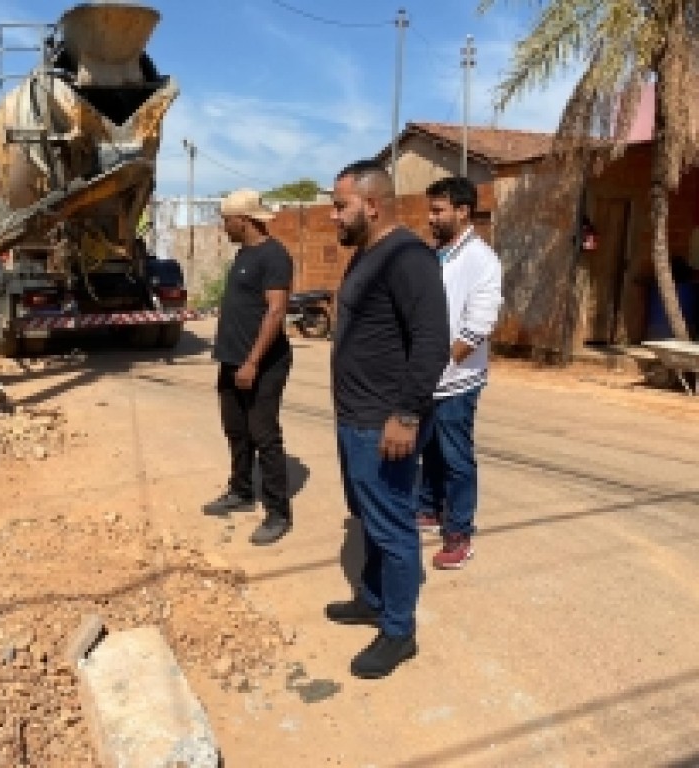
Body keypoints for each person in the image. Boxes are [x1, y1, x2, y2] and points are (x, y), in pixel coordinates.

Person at [323, 160, 450, 678]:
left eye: (340, 206)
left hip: (384, 423)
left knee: (394, 527)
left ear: (372, 205)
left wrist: (406, 414)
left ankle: (399, 632)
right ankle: (372, 599)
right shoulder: (368, 253)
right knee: (369, 518)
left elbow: (432, 342)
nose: (333, 216)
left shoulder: (408, 258)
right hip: (356, 417)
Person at [417, 177, 502, 569]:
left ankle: (459, 534)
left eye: (438, 210)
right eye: (430, 210)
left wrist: (439, 366)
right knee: (431, 448)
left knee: (455, 457)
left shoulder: (481, 260)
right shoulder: (438, 254)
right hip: (430, 376)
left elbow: (476, 327)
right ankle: (430, 509)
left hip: (457, 378)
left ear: (463, 211)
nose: (431, 218)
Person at [202, 188, 294, 546]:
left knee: (263, 434)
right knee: (236, 430)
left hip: (262, 364)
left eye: (226, 220)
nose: (223, 226)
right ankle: (240, 490)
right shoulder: (244, 253)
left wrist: (252, 362)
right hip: (231, 360)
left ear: (243, 220)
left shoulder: (274, 256)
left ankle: (278, 512)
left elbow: (276, 310)